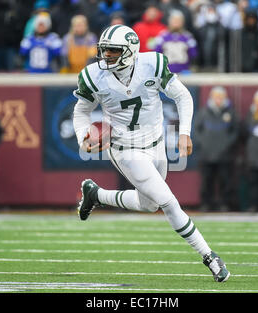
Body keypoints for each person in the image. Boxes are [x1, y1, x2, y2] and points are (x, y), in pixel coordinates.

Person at [72, 25, 230, 282]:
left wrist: (184, 132)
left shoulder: (152, 64)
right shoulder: (94, 76)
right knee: (168, 202)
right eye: (104, 50)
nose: (106, 56)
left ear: (130, 51)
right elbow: (82, 112)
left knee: (150, 204)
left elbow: (183, 97)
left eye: (113, 51)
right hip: (125, 149)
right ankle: (209, 255)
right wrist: (82, 137)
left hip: (156, 143)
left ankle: (95, 194)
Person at [194, 87, 239, 212]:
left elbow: (235, 132)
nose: (218, 99)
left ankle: (224, 203)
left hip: (224, 155)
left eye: (221, 97)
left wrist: (226, 145)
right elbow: (197, 131)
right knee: (206, 181)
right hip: (206, 155)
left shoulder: (230, 113)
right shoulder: (204, 113)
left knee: (225, 180)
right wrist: (204, 144)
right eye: (216, 96)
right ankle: (206, 203)